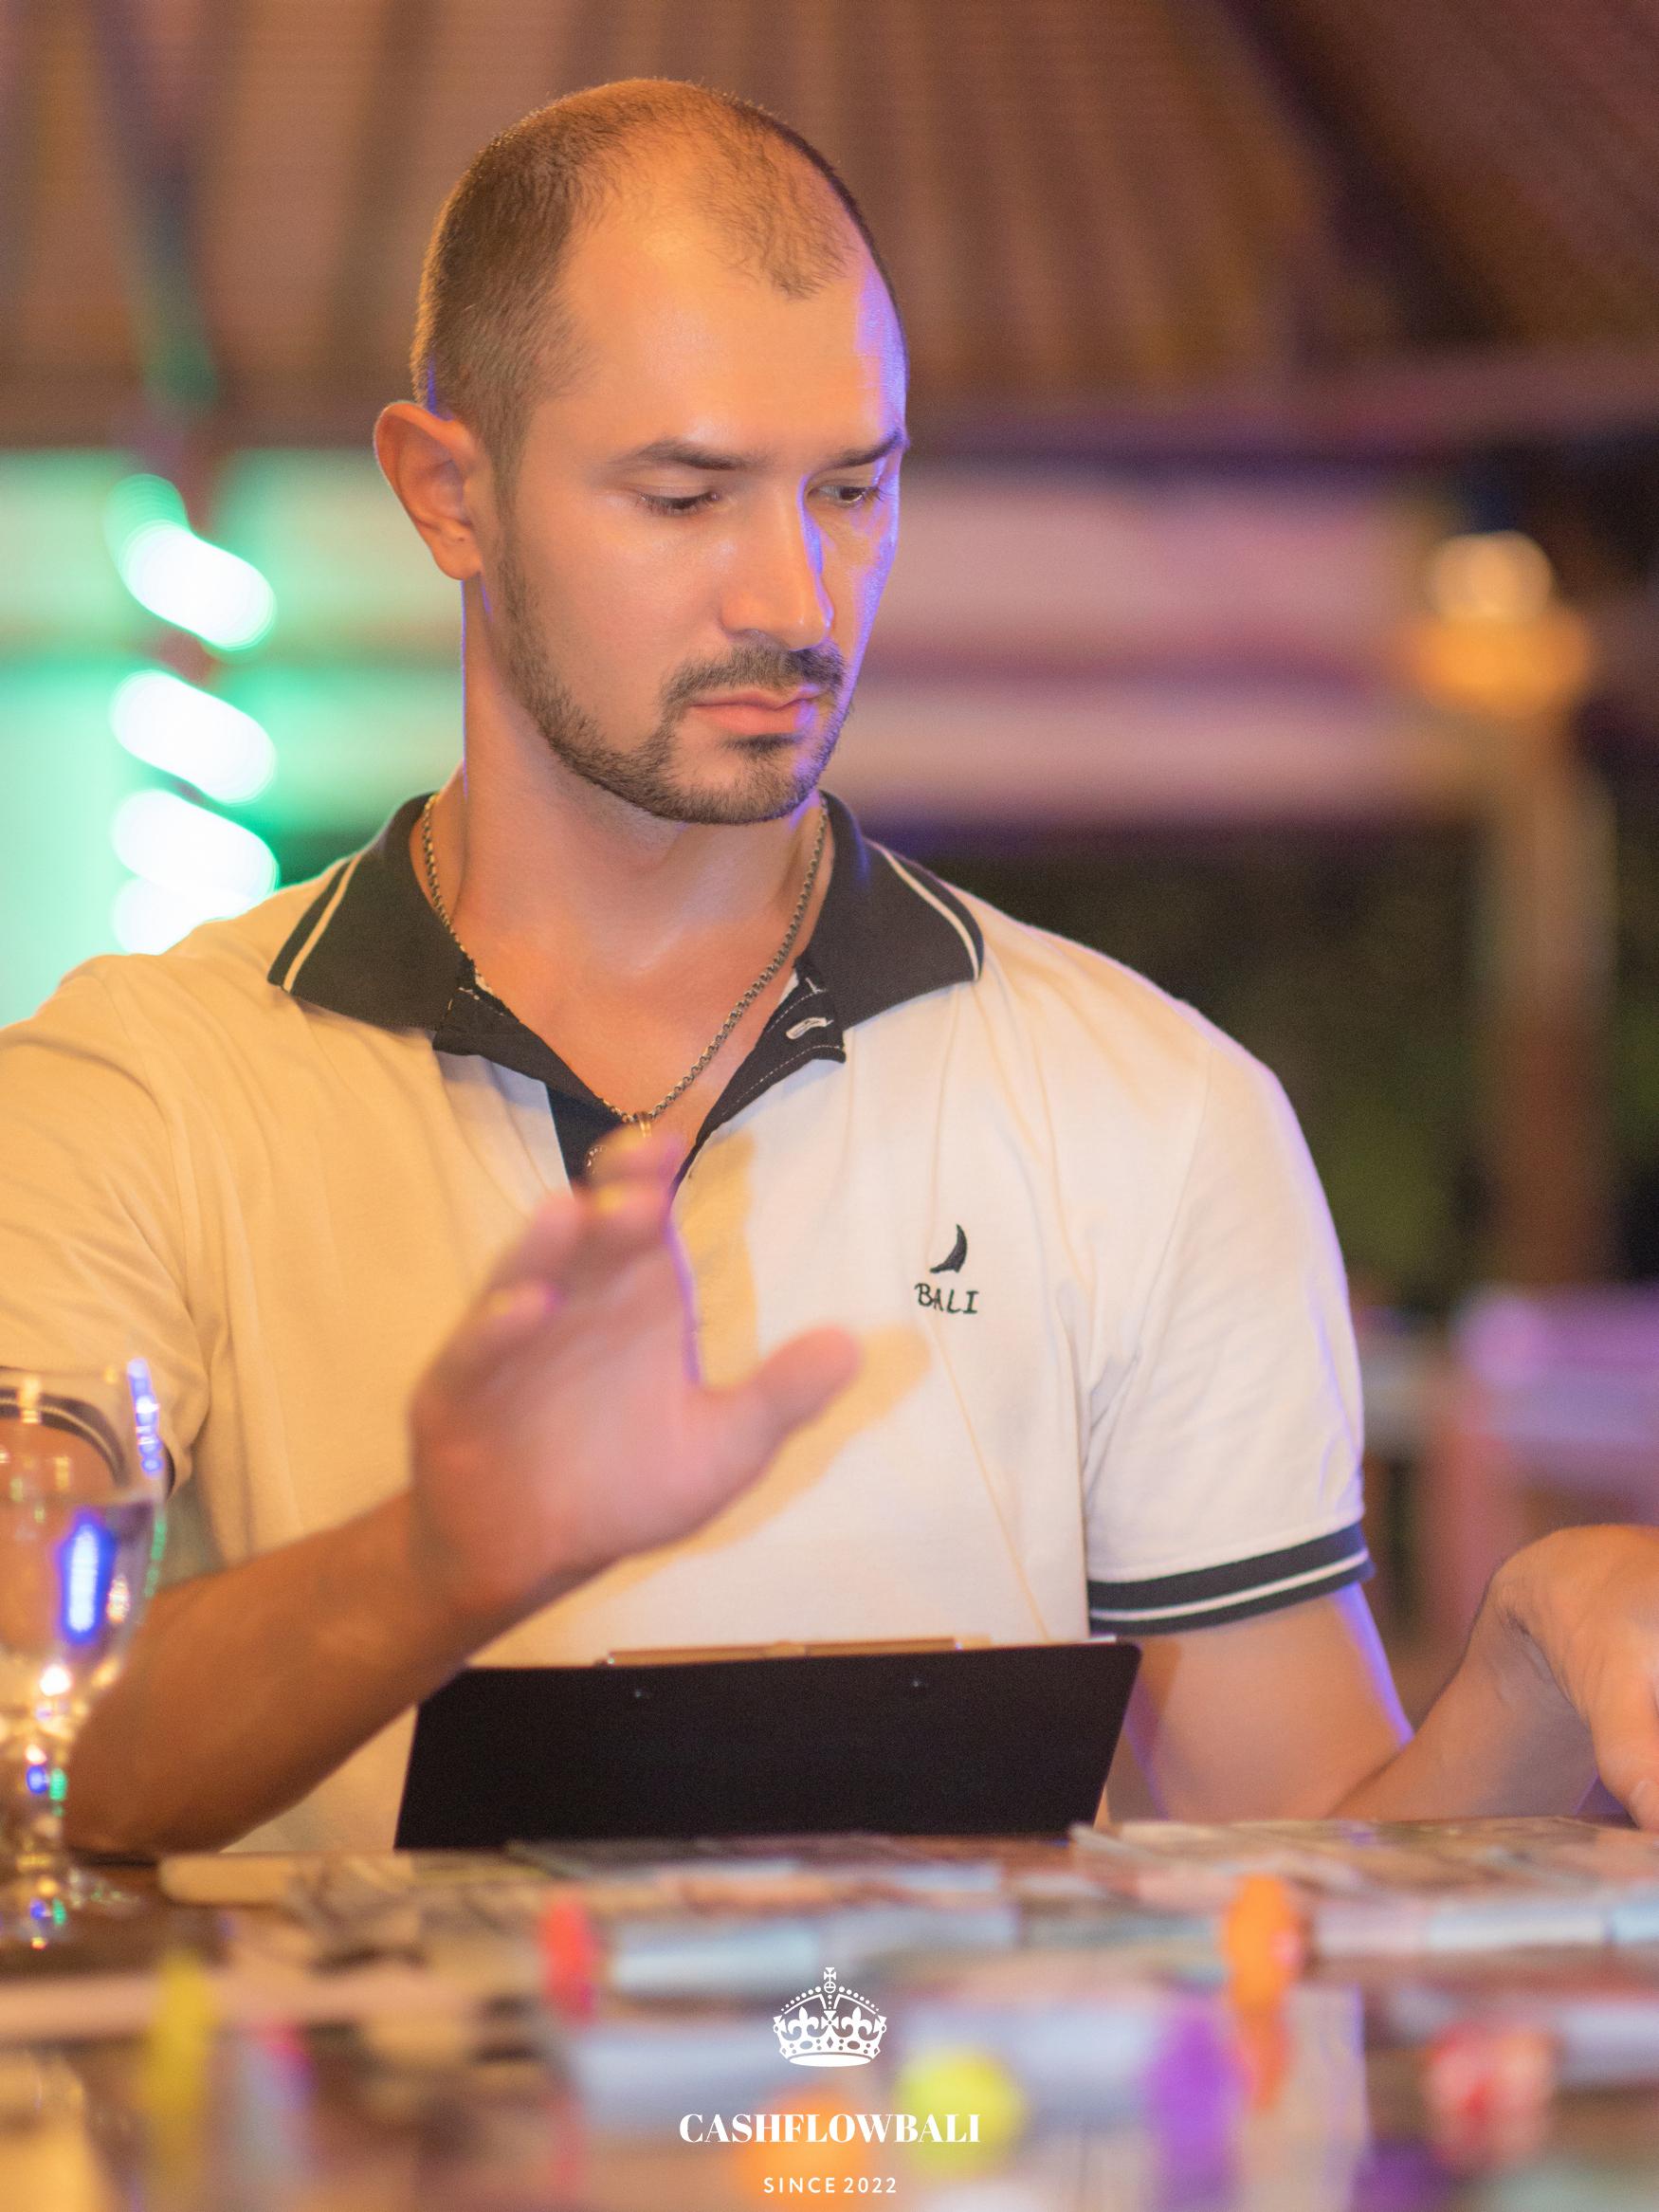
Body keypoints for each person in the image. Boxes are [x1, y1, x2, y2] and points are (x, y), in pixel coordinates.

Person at [4, 81, 1658, 1857]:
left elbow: (1317, 1895)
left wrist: (1523, 1664)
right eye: (684, 494)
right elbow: (28, 1743)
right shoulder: (136, 1089)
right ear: (446, 491)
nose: (793, 597)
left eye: (851, 487)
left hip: (952, 2071)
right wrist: (439, 1559)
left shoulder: (1152, 1112)